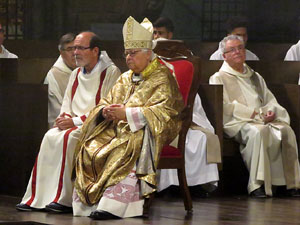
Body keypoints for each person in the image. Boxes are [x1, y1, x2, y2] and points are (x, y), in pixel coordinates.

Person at [72, 16, 184, 220]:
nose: (128, 58)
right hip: (119, 128)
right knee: (90, 145)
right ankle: (89, 204)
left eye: (133, 53)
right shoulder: (125, 77)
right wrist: (105, 111)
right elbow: (105, 101)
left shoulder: (162, 76)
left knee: (126, 145)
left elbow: (167, 112)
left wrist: (128, 114)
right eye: (126, 54)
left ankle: (114, 205)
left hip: (149, 130)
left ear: (148, 54)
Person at [16, 31, 121, 212]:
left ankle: (63, 199)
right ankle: (37, 198)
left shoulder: (110, 72)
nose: (75, 53)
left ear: (95, 50)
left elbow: (105, 108)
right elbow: (67, 103)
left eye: (80, 48)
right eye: (73, 49)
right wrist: (64, 117)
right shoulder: (76, 74)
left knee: (68, 139)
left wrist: (74, 121)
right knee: (50, 136)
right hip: (75, 124)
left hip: (98, 127)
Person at [209, 35, 300, 198]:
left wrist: (272, 112)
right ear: (224, 56)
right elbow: (224, 106)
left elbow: (269, 99)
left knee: (286, 131)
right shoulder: (219, 77)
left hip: (262, 119)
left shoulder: (255, 76)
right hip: (239, 122)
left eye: (240, 48)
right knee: (258, 133)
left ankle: (290, 184)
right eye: (232, 49)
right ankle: (258, 184)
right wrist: (253, 115)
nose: (238, 52)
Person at [44, 33, 77, 128]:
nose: (74, 53)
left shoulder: (86, 71)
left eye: (76, 48)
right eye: (69, 49)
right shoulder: (54, 75)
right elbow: (56, 110)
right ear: (61, 53)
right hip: (63, 125)